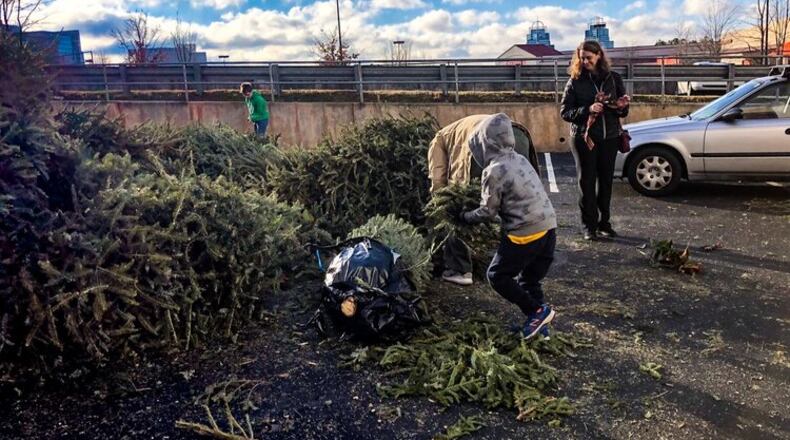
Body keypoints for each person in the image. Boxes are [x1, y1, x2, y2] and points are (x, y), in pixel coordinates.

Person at [460, 113, 558, 340]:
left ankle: (536, 311)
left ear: (485, 143)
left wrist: (464, 216)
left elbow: (487, 211)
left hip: (526, 233)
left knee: (497, 275)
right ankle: (540, 328)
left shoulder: (493, 170)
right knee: (529, 280)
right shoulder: (520, 159)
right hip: (549, 227)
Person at [428, 115, 534, 286]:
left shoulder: (438, 139)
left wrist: (439, 201)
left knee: (454, 208)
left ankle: (460, 270)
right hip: (517, 133)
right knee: (515, 203)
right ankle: (518, 266)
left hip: (480, 143)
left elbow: (438, 178)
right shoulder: (462, 124)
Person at [560, 41, 630, 241]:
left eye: (588, 57)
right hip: (584, 138)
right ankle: (588, 226)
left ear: (599, 55)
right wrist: (588, 109)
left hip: (610, 137)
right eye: (581, 57)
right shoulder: (575, 81)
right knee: (587, 182)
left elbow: (623, 111)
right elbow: (565, 112)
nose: (585, 61)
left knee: (606, 182)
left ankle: (604, 224)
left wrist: (621, 106)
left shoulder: (614, 78)